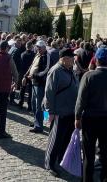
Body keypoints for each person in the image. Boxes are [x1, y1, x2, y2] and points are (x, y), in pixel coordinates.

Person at [75, 47, 107, 182]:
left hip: (90, 119)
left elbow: (81, 99)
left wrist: (77, 117)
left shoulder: (88, 76)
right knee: (106, 154)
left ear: (96, 60)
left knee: (88, 154)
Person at [44, 48, 78, 178]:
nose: (73, 60)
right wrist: (50, 112)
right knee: (55, 139)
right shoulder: (56, 71)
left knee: (65, 139)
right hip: (58, 112)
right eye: (71, 58)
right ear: (64, 59)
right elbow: (49, 93)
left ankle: (60, 161)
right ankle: (50, 164)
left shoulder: (69, 70)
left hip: (69, 111)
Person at [24, 40, 50, 133]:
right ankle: (36, 122)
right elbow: (32, 66)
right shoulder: (37, 54)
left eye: (39, 47)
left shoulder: (46, 56)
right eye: (37, 47)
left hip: (40, 83)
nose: (37, 49)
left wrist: (34, 76)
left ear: (43, 47)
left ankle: (39, 126)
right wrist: (25, 75)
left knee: (39, 105)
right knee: (33, 103)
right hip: (33, 82)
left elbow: (46, 70)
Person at [18, 41, 35, 110]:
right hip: (30, 74)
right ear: (31, 47)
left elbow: (20, 64)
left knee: (22, 89)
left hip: (23, 73)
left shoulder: (22, 54)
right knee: (30, 90)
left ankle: (20, 103)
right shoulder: (34, 55)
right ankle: (29, 106)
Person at [8, 37, 22, 104]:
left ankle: (9, 98)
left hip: (10, 69)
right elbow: (14, 61)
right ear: (17, 43)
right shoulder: (16, 50)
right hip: (14, 70)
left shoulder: (12, 48)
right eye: (19, 43)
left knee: (10, 84)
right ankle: (11, 100)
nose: (20, 45)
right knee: (14, 84)